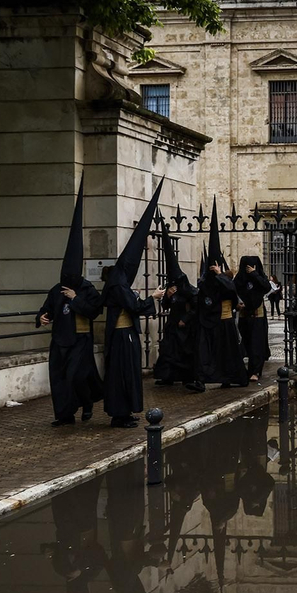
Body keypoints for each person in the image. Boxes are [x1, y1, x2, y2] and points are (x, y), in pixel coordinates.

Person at [36, 178, 104, 426]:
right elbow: (47, 309)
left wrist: (75, 300)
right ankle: (64, 415)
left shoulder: (87, 289)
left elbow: (95, 311)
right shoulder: (57, 290)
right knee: (59, 378)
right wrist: (42, 317)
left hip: (80, 341)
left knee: (77, 377)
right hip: (60, 340)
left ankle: (86, 403)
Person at [101, 181, 164, 428]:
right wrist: (153, 297)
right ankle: (119, 414)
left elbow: (132, 302)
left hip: (127, 334)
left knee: (130, 375)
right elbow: (135, 306)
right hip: (121, 335)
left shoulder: (120, 285)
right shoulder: (117, 285)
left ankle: (126, 411)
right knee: (121, 376)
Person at [195, 204, 246, 388]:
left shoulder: (225, 282)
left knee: (229, 354)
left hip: (226, 323)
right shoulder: (208, 284)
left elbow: (231, 290)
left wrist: (219, 274)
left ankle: (231, 378)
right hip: (212, 323)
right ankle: (210, 379)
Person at [152, 225, 201, 390]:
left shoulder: (190, 291)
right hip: (173, 324)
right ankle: (167, 376)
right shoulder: (172, 291)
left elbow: (196, 308)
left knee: (185, 353)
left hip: (185, 327)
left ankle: (188, 378)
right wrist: (167, 296)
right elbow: (165, 306)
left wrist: (185, 320)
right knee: (167, 350)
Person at [233, 255, 276, 381]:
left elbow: (266, 287)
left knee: (257, 344)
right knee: (244, 343)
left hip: (257, 315)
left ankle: (255, 371)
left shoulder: (259, 277)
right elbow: (233, 290)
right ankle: (243, 370)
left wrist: (254, 274)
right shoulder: (240, 278)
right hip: (244, 315)